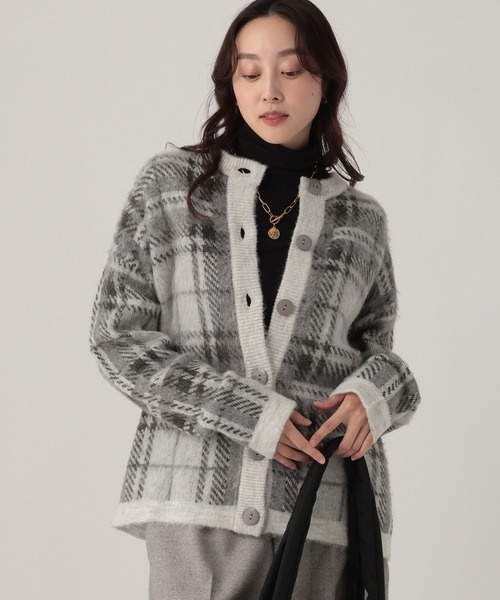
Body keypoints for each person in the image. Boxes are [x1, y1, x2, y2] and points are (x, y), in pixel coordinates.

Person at [89, 0, 421, 598]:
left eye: (291, 70)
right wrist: (249, 413)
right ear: (231, 84)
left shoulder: (361, 220)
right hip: (198, 507)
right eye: (250, 72)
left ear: (326, 81)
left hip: (324, 513)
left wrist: (374, 396)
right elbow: (119, 340)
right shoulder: (171, 189)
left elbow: (380, 353)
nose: (270, 89)